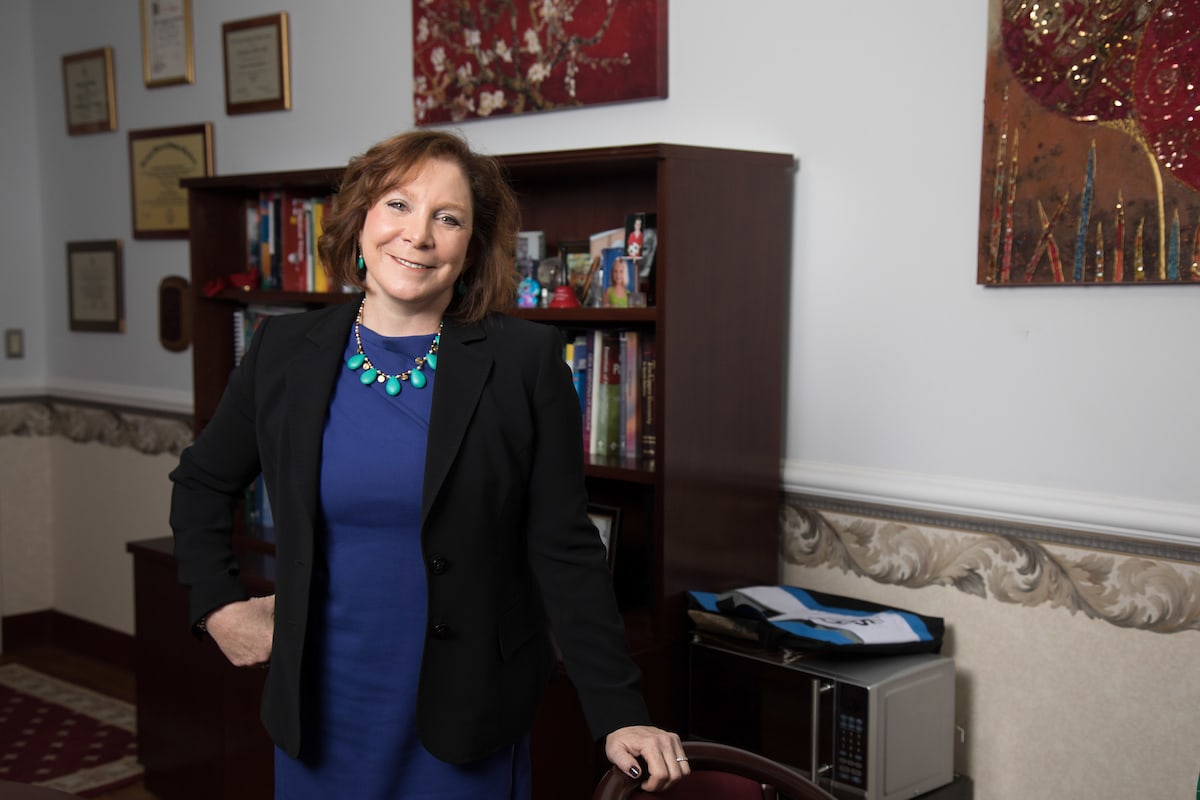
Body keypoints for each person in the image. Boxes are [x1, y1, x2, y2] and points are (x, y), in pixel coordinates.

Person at [168, 129, 689, 799]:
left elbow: (564, 549)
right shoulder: (283, 350)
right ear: (359, 220)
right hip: (321, 711)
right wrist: (216, 607)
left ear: (471, 246)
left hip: (466, 715)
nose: (418, 235)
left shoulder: (525, 365)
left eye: (448, 218)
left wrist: (620, 713)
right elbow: (202, 484)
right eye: (398, 206)